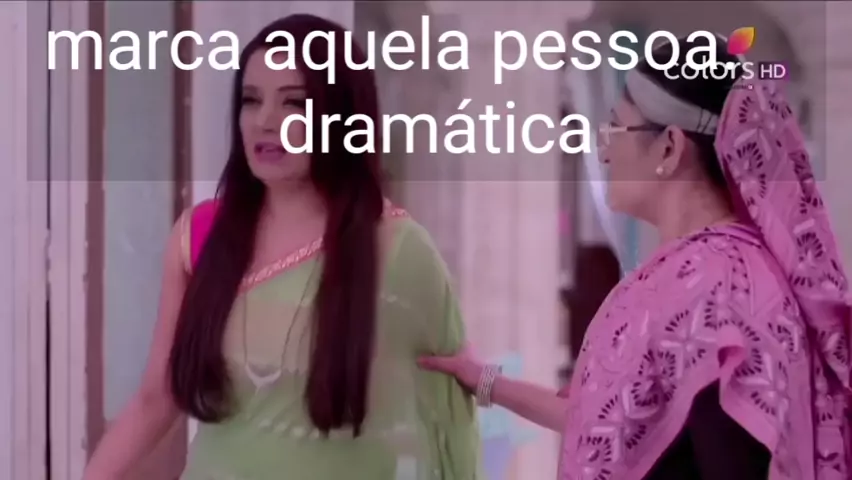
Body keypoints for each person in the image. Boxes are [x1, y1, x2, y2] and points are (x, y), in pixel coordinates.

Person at [419, 35, 851, 479]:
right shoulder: (704, 271)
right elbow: (617, 423)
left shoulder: (717, 285)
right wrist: (484, 381)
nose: (603, 150)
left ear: (669, 147)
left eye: (614, 128)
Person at [83, 14, 481, 480]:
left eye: (294, 102)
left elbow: (449, 412)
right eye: (251, 100)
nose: (265, 121)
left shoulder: (400, 251)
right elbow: (157, 399)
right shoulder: (201, 235)